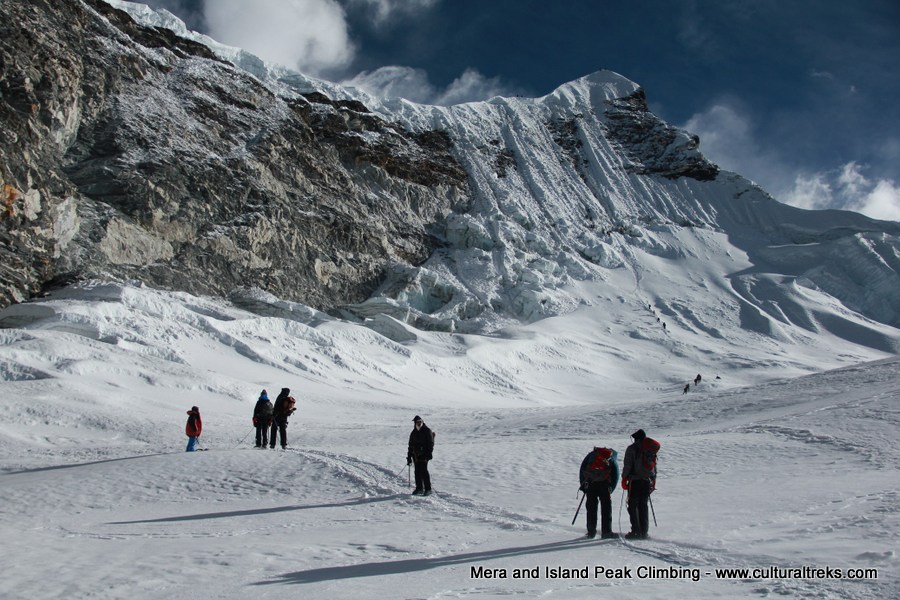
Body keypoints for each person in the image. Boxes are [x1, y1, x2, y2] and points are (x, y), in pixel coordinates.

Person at [622, 429, 657, 540]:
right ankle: (644, 532)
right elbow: (654, 466)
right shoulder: (650, 449)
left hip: (635, 481)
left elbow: (628, 464)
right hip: (647, 481)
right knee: (643, 506)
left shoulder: (632, 449)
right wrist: (653, 479)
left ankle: (636, 531)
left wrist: (624, 478)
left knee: (633, 506)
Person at [579, 446, 620, 539]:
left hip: (591, 484)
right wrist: (611, 488)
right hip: (604, 486)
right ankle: (606, 532)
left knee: (591, 509)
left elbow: (582, 469)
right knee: (606, 509)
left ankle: (591, 532)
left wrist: (583, 485)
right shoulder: (611, 458)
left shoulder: (591, 455)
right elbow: (616, 474)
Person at [406, 415, 434, 495]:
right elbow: (410, 446)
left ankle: (428, 489)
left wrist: (429, 454)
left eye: (419, 422)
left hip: (424, 455)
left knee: (424, 471)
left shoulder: (427, 430)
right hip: (415, 456)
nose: (418, 423)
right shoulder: (413, 433)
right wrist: (409, 457)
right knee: (417, 471)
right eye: (417, 422)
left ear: (422, 422)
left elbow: (430, 443)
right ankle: (419, 488)